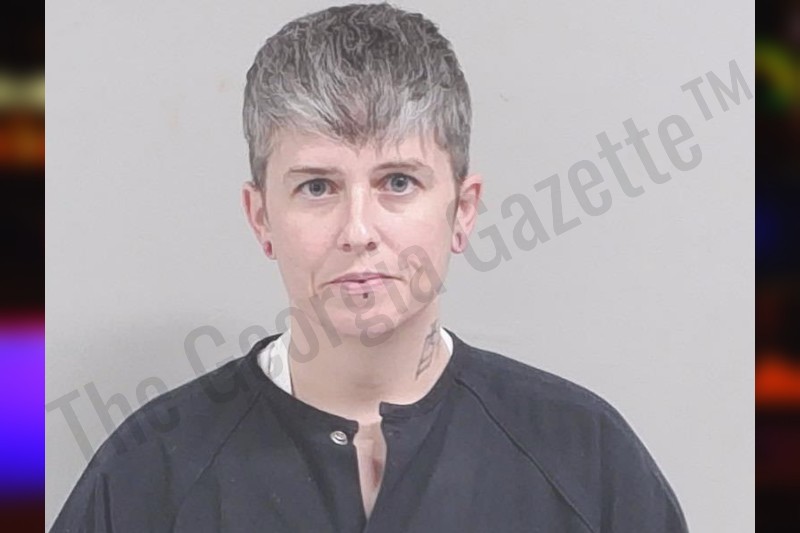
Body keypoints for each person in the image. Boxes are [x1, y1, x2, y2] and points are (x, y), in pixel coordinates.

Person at [50, 3, 689, 532]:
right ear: (261, 217)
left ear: (463, 210)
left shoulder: (586, 459)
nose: (358, 231)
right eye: (317, 187)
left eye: (399, 182)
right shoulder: (148, 475)